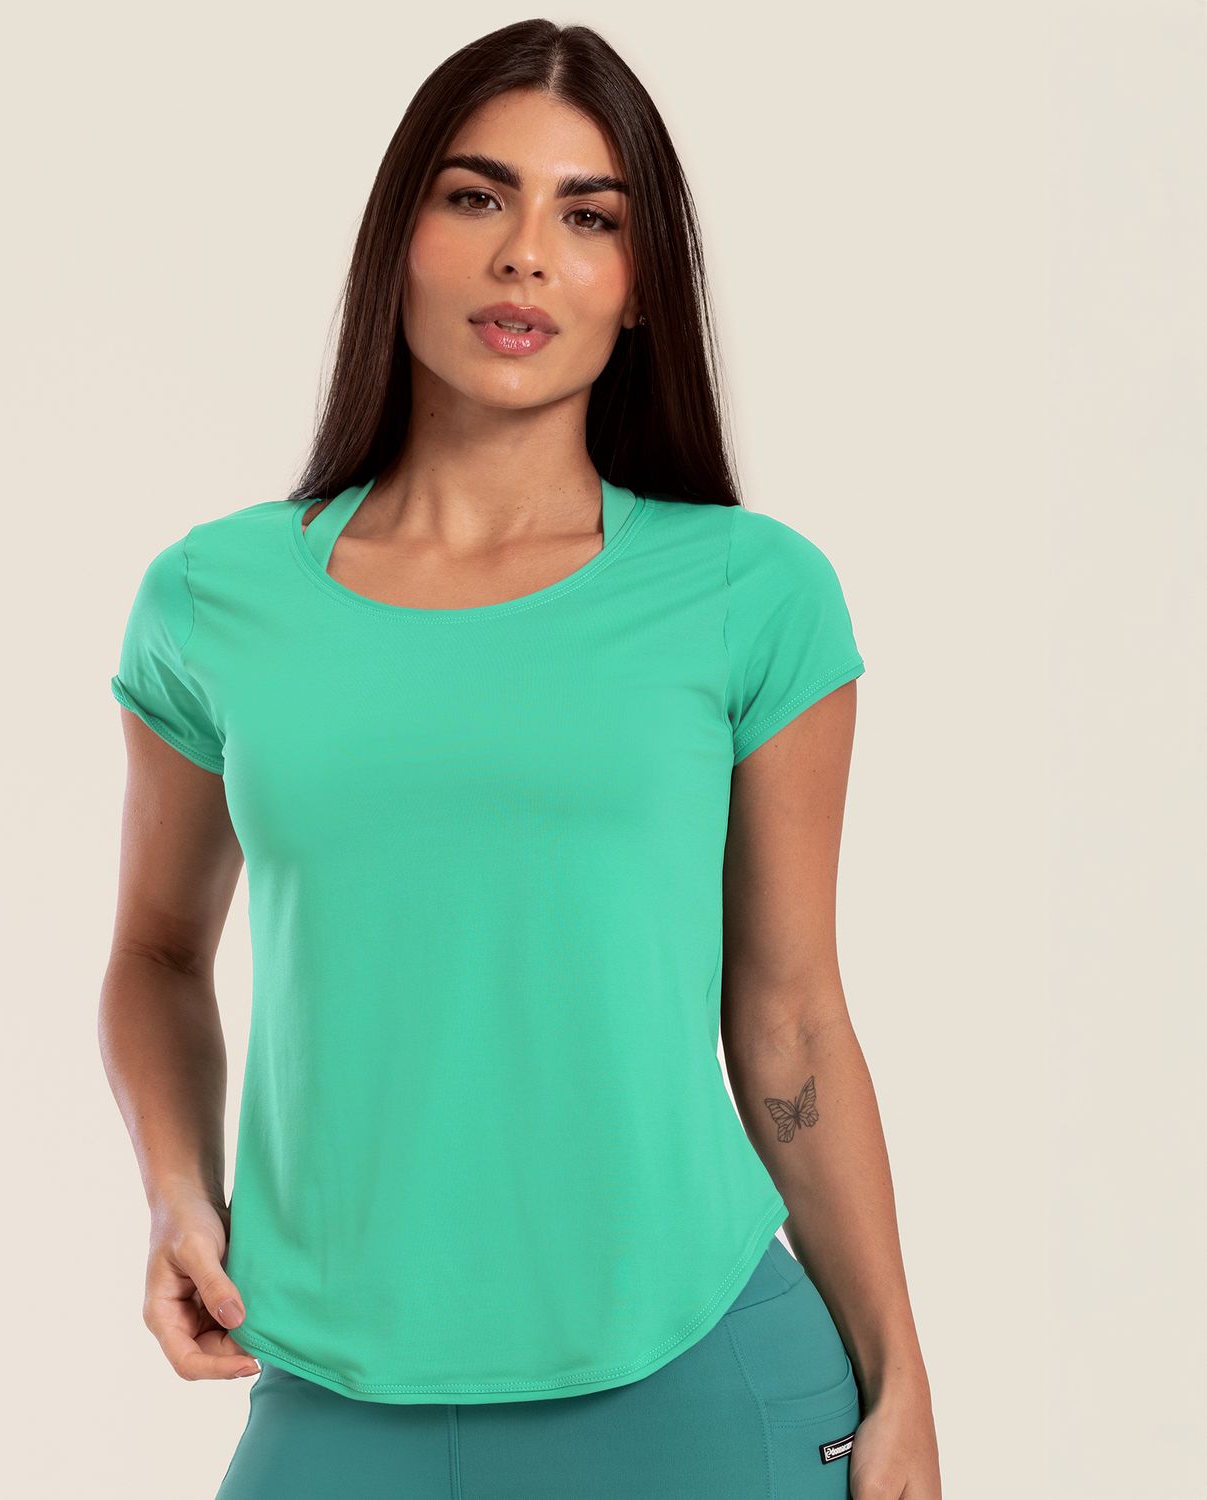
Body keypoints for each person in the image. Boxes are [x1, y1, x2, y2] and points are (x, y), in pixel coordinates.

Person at [99, 19, 941, 1499]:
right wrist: (179, 1193)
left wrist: (902, 1380)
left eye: (589, 217)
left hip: (703, 1382)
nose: (526, 256)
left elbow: (792, 1017)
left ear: (641, 290)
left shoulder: (750, 592)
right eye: (477, 196)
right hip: (329, 1380)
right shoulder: (214, 598)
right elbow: (158, 952)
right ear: (400, 240)